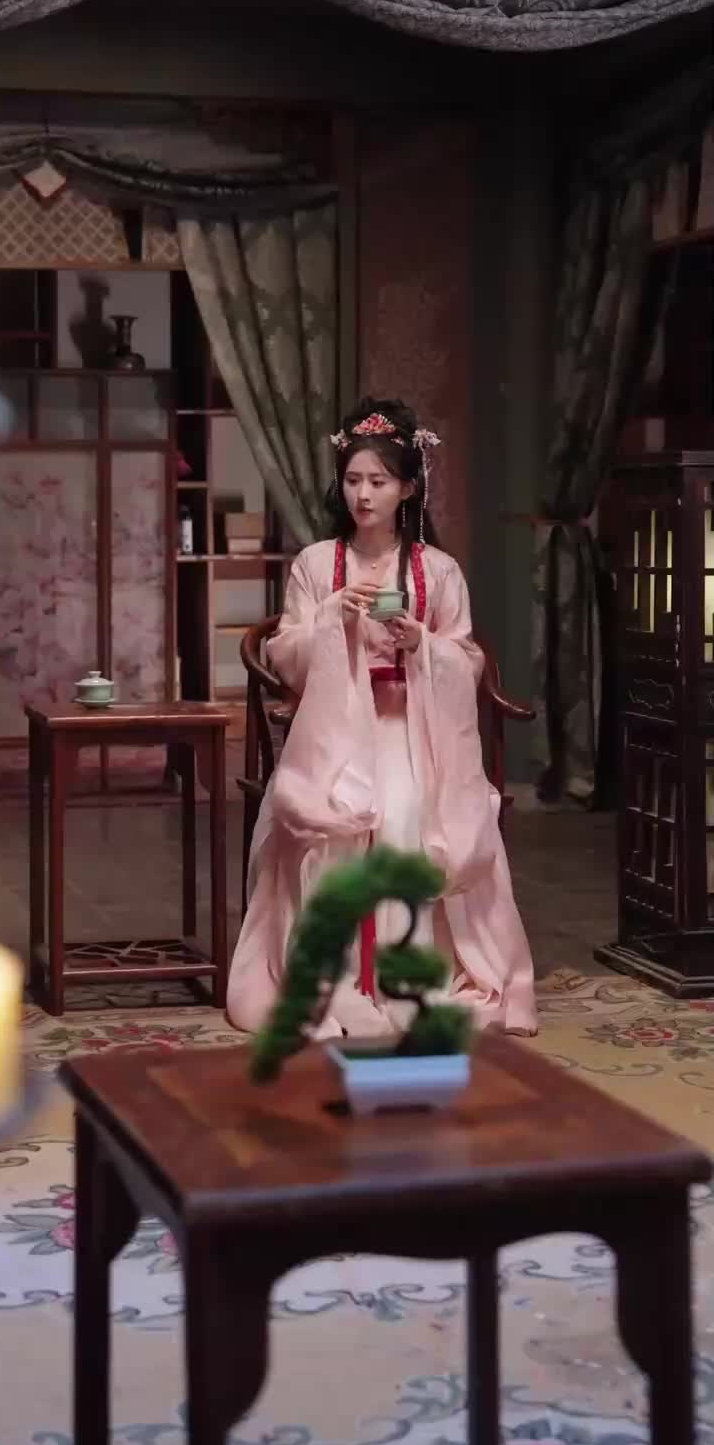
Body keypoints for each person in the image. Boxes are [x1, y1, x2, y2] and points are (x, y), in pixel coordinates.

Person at [227, 397, 537, 1040]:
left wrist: (422, 644)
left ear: (408, 488)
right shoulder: (317, 564)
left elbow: (466, 660)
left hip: (411, 731)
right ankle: (337, 981)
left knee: (402, 808)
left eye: (378, 481)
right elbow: (285, 654)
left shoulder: (438, 570)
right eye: (352, 480)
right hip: (336, 731)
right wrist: (331, 618)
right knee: (334, 811)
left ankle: (402, 977)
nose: (363, 495)